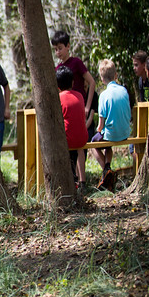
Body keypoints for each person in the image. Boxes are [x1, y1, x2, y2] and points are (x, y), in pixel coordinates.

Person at [52, 30, 97, 185]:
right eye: (55, 49)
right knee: (72, 151)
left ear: (68, 46)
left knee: (81, 147)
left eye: (60, 48)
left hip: (80, 108)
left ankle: (82, 180)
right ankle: (75, 180)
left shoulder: (76, 62)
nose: (58, 52)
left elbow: (91, 82)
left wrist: (87, 106)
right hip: (67, 112)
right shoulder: (57, 69)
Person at [90, 59, 131, 191]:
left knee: (93, 145)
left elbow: (101, 124)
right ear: (116, 75)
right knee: (108, 146)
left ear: (102, 79)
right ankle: (107, 169)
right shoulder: (124, 90)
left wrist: (98, 129)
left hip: (112, 134)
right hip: (125, 132)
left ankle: (107, 171)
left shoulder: (103, 95)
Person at [57, 65, 89, 188]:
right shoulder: (80, 95)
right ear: (73, 82)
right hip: (83, 137)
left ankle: (69, 179)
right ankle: (82, 180)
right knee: (80, 148)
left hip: (67, 139)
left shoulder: (59, 98)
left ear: (58, 85)